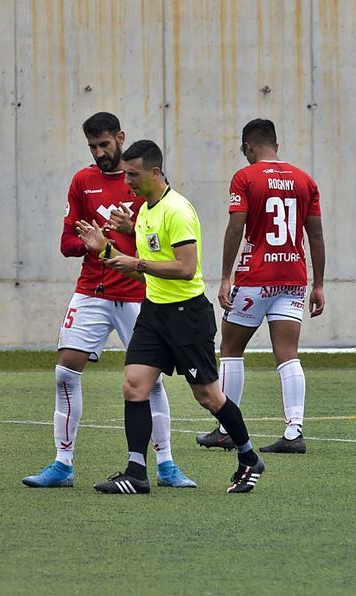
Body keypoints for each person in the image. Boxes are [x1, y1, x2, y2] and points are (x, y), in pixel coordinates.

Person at [76, 139, 265, 494]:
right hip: (153, 313)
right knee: (134, 386)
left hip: (186, 316)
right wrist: (107, 251)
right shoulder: (145, 210)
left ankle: (249, 457)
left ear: (155, 172)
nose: (127, 181)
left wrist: (136, 260)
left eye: (133, 174)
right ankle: (136, 472)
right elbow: (145, 274)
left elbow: (185, 268)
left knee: (209, 397)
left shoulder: (176, 210)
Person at [23, 112, 194, 489]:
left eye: (104, 144)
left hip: (137, 293)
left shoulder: (146, 183)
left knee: (150, 382)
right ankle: (62, 464)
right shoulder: (83, 182)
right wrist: (88, 241)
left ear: (120, 138)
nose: (100, 153)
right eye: (93, 147)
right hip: (92, 292)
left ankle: (166, 464)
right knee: (65, 372)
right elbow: (67, 243)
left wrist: (128, 230)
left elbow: (161, 243)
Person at [196, 119, 325, 454]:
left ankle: (226, 428)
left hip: (255, 278)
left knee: (231, 349)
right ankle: (294, 433)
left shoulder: (245, 177)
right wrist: (319, 284)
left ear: (247, 146)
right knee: (288, 355)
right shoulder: (305, 180)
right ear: (276, 145)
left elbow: (236, 226)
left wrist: (226, 276)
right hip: (293, 278)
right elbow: (316, 236)